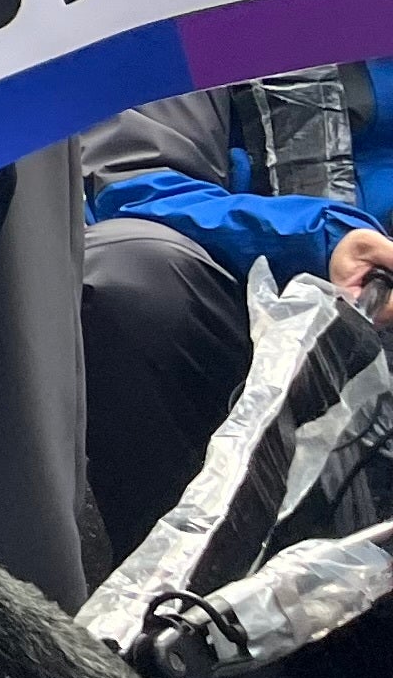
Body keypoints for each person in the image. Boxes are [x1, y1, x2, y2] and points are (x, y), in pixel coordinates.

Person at [80, 65, 393, 561]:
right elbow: (135, 184)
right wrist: (321, 240)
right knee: (127, 272)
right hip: (266, 327)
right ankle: (191, 583)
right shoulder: (187, 22)